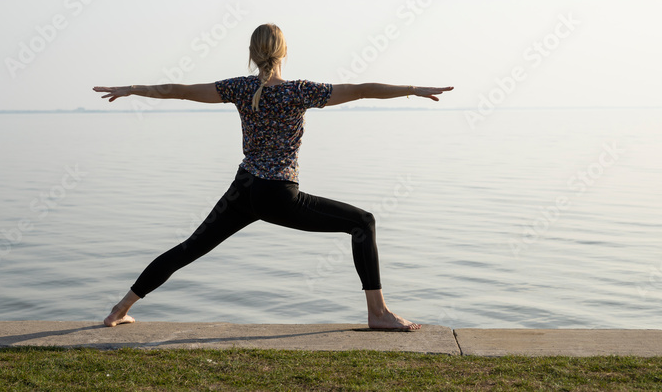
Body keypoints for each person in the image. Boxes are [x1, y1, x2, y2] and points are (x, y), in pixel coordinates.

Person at [92, 23, 452, 331]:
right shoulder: (299, 91)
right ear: (284, 52)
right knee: (363, 222)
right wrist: (411, 89)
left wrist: (133, 89)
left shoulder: (239, 88)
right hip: (279, 193)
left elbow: (181, 92)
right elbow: (360, 90)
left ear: (252, 54)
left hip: (243, 190)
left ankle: (119, 310)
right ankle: (379, 313)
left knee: (189, 248)